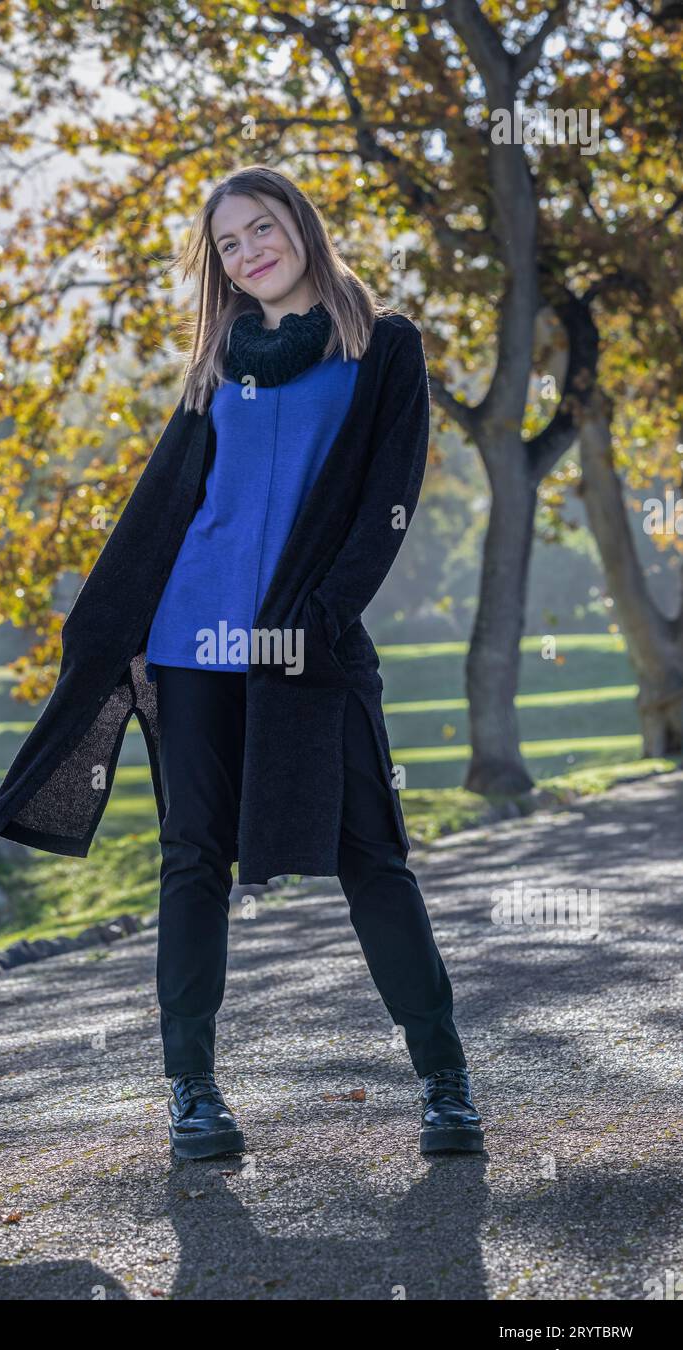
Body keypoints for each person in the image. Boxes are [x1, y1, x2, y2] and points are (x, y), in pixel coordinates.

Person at [144, 166, 484, 1160]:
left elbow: (388, 501)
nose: (250, 250)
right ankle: (193, 1096)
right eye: (228, 243)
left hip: (310, 638)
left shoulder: (379, 347)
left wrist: (325, 619)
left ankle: (444, 1083)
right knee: (192, 859)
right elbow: (173, 502)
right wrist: (123, 617)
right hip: (191, 636)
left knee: (371, 855)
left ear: (300, 222)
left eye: (262, 226)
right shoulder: (215, 359)